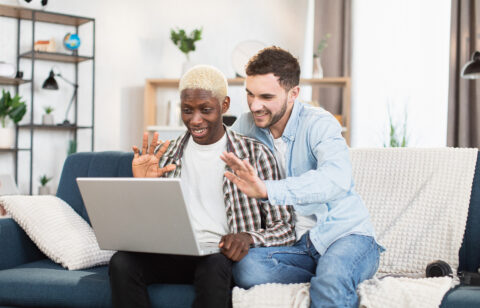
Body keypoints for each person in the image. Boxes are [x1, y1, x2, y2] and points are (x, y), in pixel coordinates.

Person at [108, 64, 295, 308]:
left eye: (205, 110)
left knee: (214, 266)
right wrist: (144, 185)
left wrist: (248, 237)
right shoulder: (165, 155)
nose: (195, 120)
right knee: (121, 262)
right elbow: (144, 227)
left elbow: (286, 227)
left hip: (218, 257)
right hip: (172, 253)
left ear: (224, 105)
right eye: (187, 110)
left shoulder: (256, 154)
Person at [220, 46, 383, 308]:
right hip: (298, 246)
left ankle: (335, 275)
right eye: (249, 94)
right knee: (246, 269)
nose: (254, 105)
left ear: (293, 93)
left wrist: (267, 190)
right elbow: (215, 157)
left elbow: (336, 179)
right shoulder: (246, 125)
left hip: (345, 235)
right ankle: (332, 274)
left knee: (329, 283)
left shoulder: (319, 123)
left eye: (266, 96)